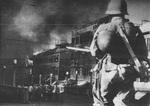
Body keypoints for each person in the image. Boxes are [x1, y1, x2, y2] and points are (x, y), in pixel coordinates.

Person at [90, 0, 149, 106]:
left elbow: (94, 52)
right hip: (128, 71)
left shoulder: (103, 28)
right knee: (122, 100)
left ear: (110, 13)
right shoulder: (135, 29)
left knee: (102, 102)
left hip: (107, 72)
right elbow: (143, 53)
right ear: (124, 12)